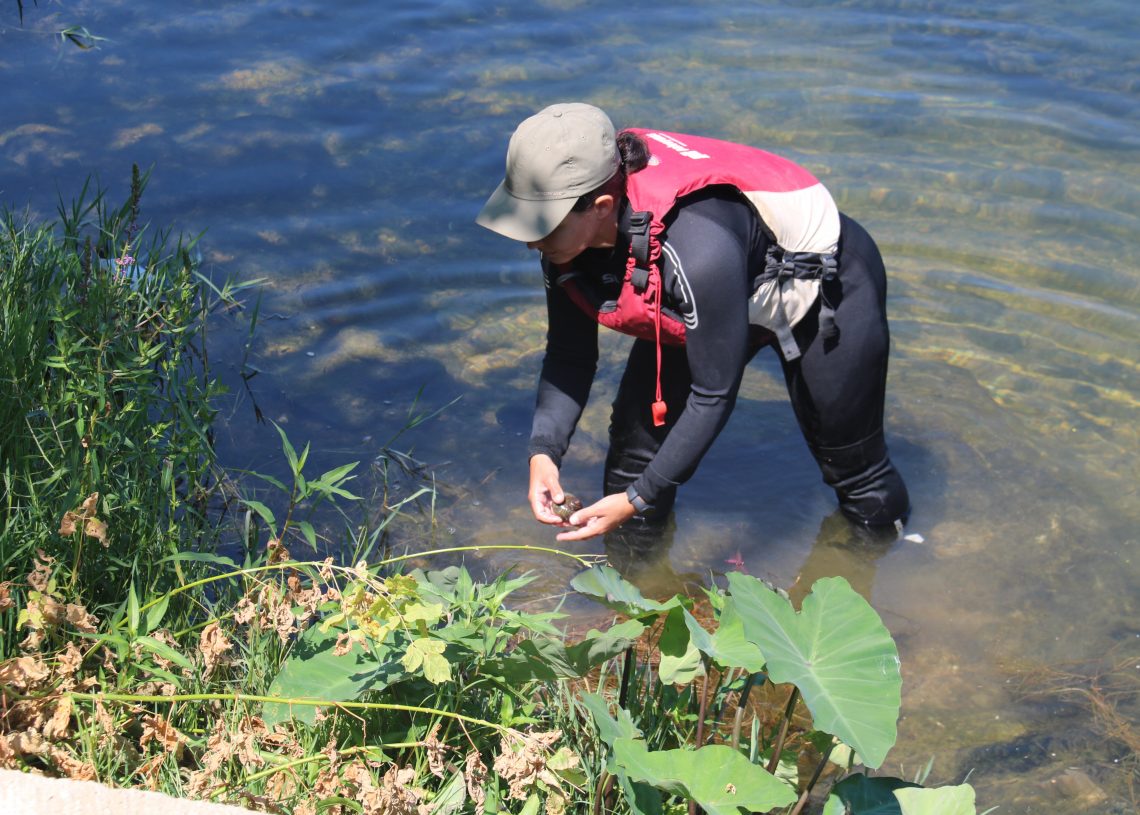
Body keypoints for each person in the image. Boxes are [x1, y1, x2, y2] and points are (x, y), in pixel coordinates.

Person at [476, 102, 909, 543]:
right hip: (705, 301)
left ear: (601, 206)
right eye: (524, 222)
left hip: (817, 289)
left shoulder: (696, 250)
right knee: (633, 459)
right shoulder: (562, 243)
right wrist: (544, 453)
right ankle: (632, 598)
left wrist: (636, 499)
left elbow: (714, 393)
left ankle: (891, 562)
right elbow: (570, 355)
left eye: (542, 227)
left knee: (856, 472)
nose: (530, 242)